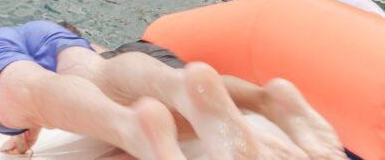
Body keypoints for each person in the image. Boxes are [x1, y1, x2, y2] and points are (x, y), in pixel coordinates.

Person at [0, 5, 344, 159]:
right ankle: (196, 88)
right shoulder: (12, 35)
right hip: (46, 31)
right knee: (101, 72)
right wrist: (26, 135)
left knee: (34, 89)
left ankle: (131, 125)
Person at [59, 21, 344, 159]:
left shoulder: (55, 57)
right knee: (187, 85)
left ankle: (248, 132)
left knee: (139, 119)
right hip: (146, 51)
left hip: (108, 70)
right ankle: (262, 99)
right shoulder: (88, 43)